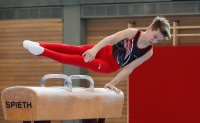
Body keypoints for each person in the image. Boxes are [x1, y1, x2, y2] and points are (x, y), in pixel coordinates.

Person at [23, 16, 171, 94]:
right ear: (149, 28)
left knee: (76, 60)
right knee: (73, 49)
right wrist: (95, 49)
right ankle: (39, 44)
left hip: (109, 65)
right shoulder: (133, 33)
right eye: (155, 35)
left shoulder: (148, 52)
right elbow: (111, 38)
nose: (154, 40)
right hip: (104, 50)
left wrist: (112, 83)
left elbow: (128, 68)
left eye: (158, 39)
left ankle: (42, 52)